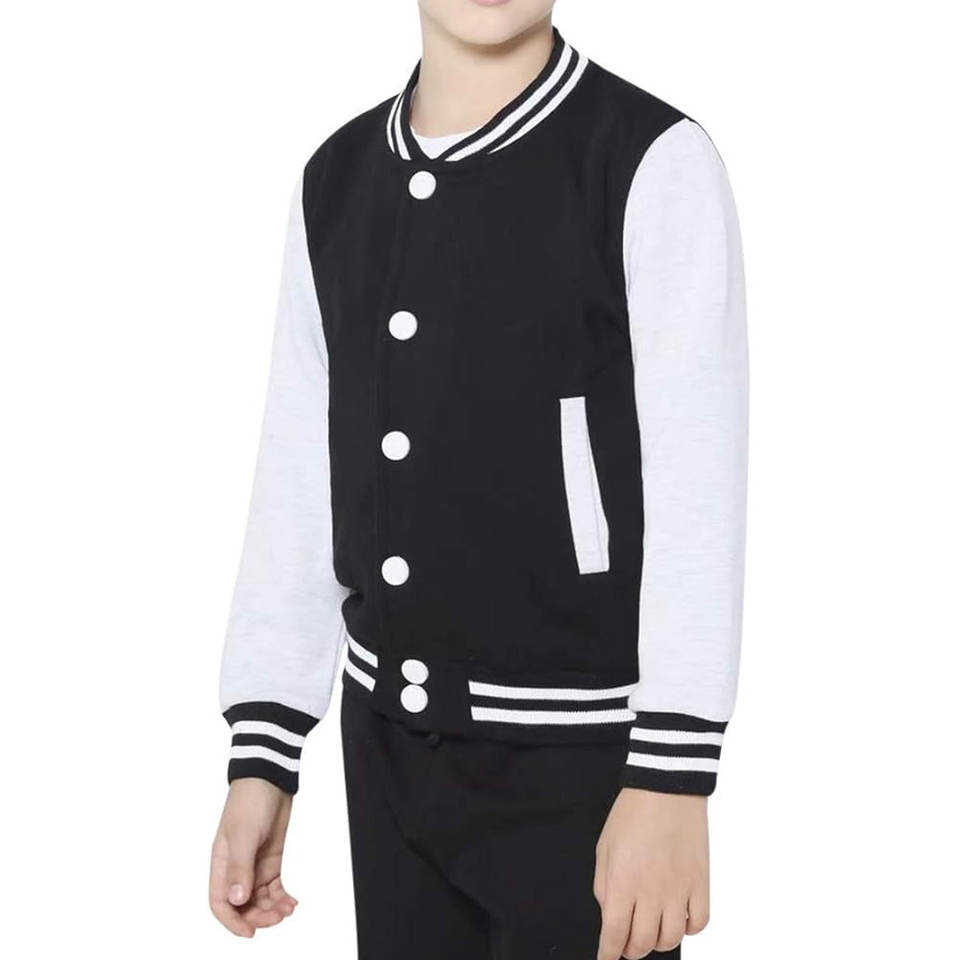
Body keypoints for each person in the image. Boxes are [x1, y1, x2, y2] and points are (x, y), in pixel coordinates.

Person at [208, 1, 748, 957]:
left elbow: (698, 485)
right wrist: (265, 749)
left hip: (586, 768)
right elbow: (300, 469)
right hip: (386, 756)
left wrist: (672, 774)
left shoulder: (649, 159)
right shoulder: (335, 180)